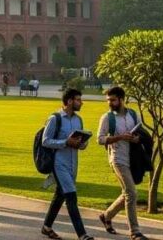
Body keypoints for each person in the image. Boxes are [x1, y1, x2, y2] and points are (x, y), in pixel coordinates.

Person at [96, 87, 148, 240]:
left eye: (112, 100)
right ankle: (135, 232)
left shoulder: (133, 114)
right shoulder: (107, 118)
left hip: (132, 158)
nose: (109, 103)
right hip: (118, 159)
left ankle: (106, 216)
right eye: (108, 100)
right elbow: (100, 139)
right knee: (132, 193)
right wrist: (119, 137)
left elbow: (140, 133)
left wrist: (136, 138)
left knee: (127, 193)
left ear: (121, 99)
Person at [40, 88, 92, 240]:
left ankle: (46, 227)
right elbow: (45, 141)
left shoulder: (78, 119)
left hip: (73, 164)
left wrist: (82, 144)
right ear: (69, 101)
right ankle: (82, 234)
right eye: (78, 100)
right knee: (71, 196)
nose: (81, 102)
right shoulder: (55, 118)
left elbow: (80, 144)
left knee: (60, 196)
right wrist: (65, 142)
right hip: (58, 164)